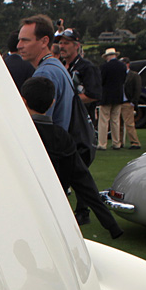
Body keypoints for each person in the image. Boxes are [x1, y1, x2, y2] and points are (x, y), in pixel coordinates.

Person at [21, 77, 122, 239]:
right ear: (53, 102)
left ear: (22, 100)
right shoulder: (62, 137)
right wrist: (110, 224)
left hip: (25, 208)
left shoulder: (21, 135)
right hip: (55, 209)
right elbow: (83, 181)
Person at [17, 15, 73, 130]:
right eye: (19, 40)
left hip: (50, 145)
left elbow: (40, 124)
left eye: (25, 40)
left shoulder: (44, 74)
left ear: (44, 41)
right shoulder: (57, 67)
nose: (19, 46)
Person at [60, 29, 101, 123]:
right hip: (64, 118)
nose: (62, 46)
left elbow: (94, 95)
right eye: (60, 43)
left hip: (81, 120)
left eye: (66, 43)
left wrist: (67, 99)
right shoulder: (60, 66)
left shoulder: (87, 67)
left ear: (76, 46)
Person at [96, 48, 127, 150]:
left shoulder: (105, 66)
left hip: (106, 96)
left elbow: (101, 81)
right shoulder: (122, 66)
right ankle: (116, 142)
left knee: (104, 121)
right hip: (118, 95)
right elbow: (123, 80)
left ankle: (102, 143)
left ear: (107, 56)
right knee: (115, 120)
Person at [120, 57, 142, 149]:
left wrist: (134, 101)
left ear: (127, 64)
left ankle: (135, 142)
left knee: (129, 124)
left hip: (128, 102)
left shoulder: (134, 75)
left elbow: (137, 89)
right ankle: (119, 142)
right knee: (118, 124)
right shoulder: (118, 75)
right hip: (119, 102)